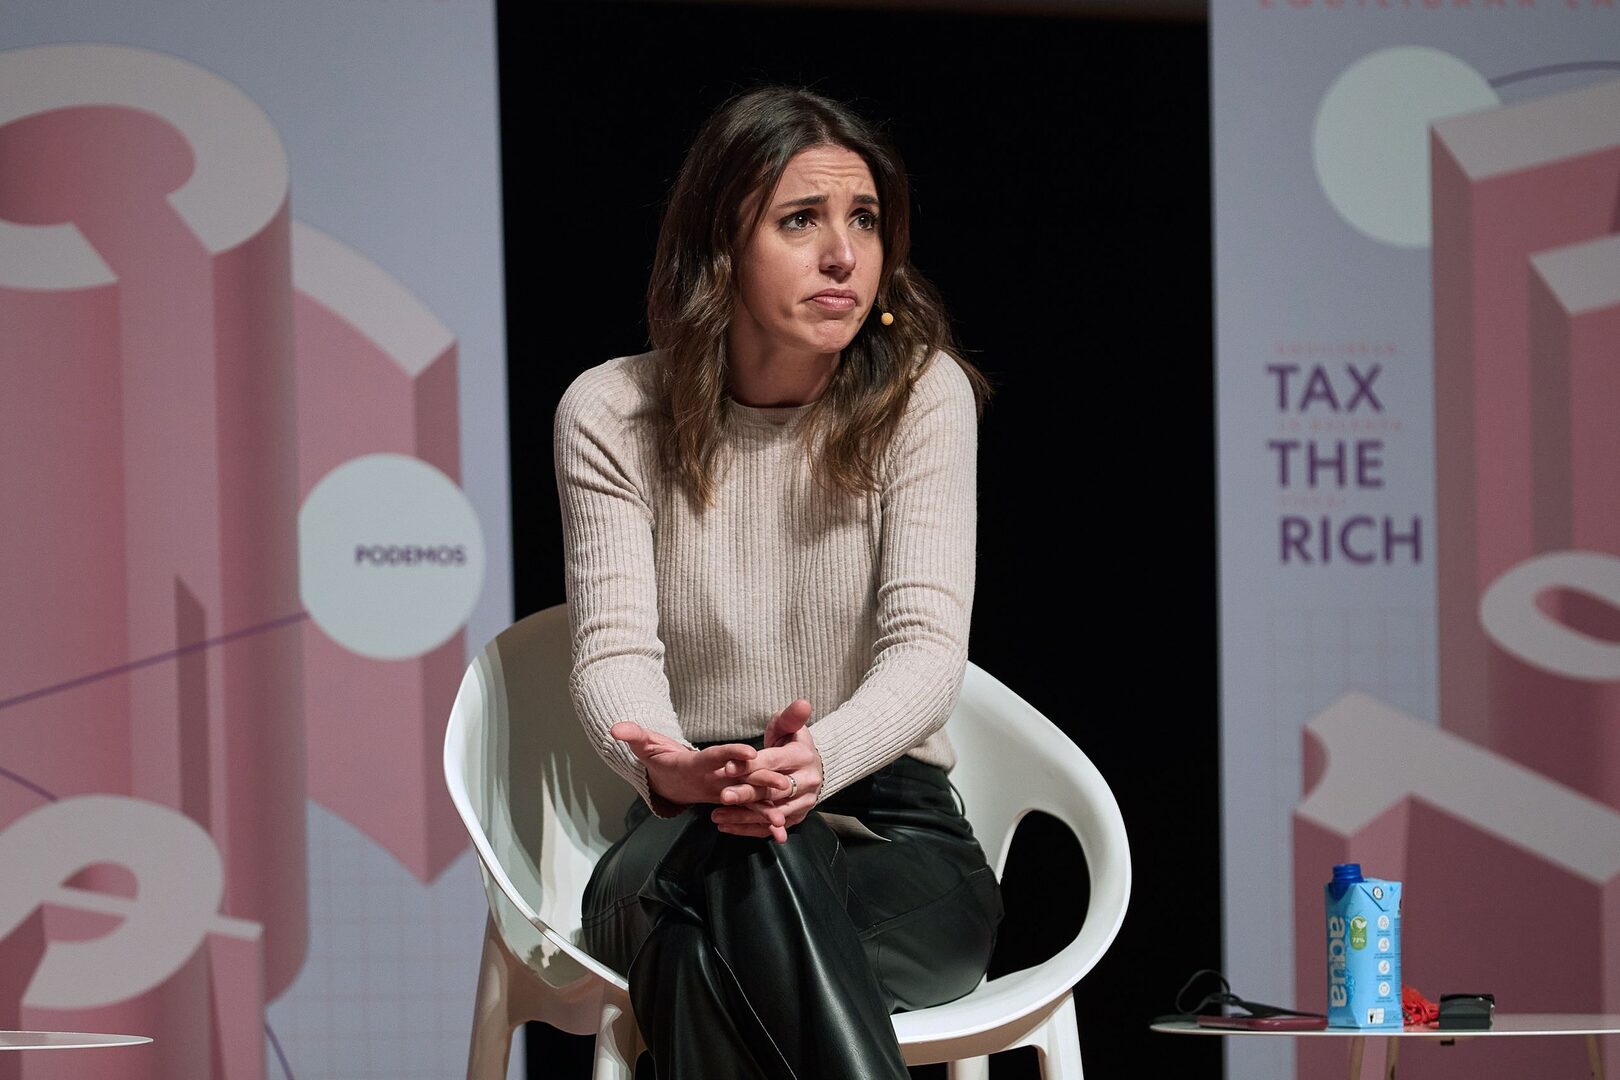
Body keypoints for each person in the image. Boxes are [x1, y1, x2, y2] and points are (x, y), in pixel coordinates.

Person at [553, 84, 1002, 1079]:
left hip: (895, 836)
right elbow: (612, 653)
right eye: (802, 220)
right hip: (683, 831)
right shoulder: (611, 413)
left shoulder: (921, 396)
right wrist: (672, 768)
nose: (845, 255)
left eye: (865, 220)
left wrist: (817, 763)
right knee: (749, 856)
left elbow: (927, 653)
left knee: (704, 950)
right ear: (721, 245)